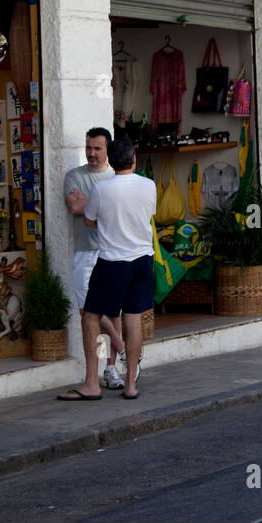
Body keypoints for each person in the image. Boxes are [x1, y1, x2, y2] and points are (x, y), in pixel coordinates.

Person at [59, 138, 155, 401]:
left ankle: (92, 383)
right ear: (133, 159)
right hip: (143, 260)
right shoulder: (149, 185)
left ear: (110, 162)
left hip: (113, 261)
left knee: (90, 315)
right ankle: (131, 384)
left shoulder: (102, 188)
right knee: (133, 318)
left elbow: (89, 220)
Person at [64, 127, 127, 389]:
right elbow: (73, 206)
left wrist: (90, 203)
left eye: (97, 148)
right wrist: (102, 204)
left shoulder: (115, 176)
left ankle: (110, 370)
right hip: (85, 254)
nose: (91, 153)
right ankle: (121, 345)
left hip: (112, 253)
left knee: (113, 312)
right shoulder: (74, 175)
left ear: (107, 150)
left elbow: (88, 207)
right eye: (89, 148)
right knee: (86, 311)